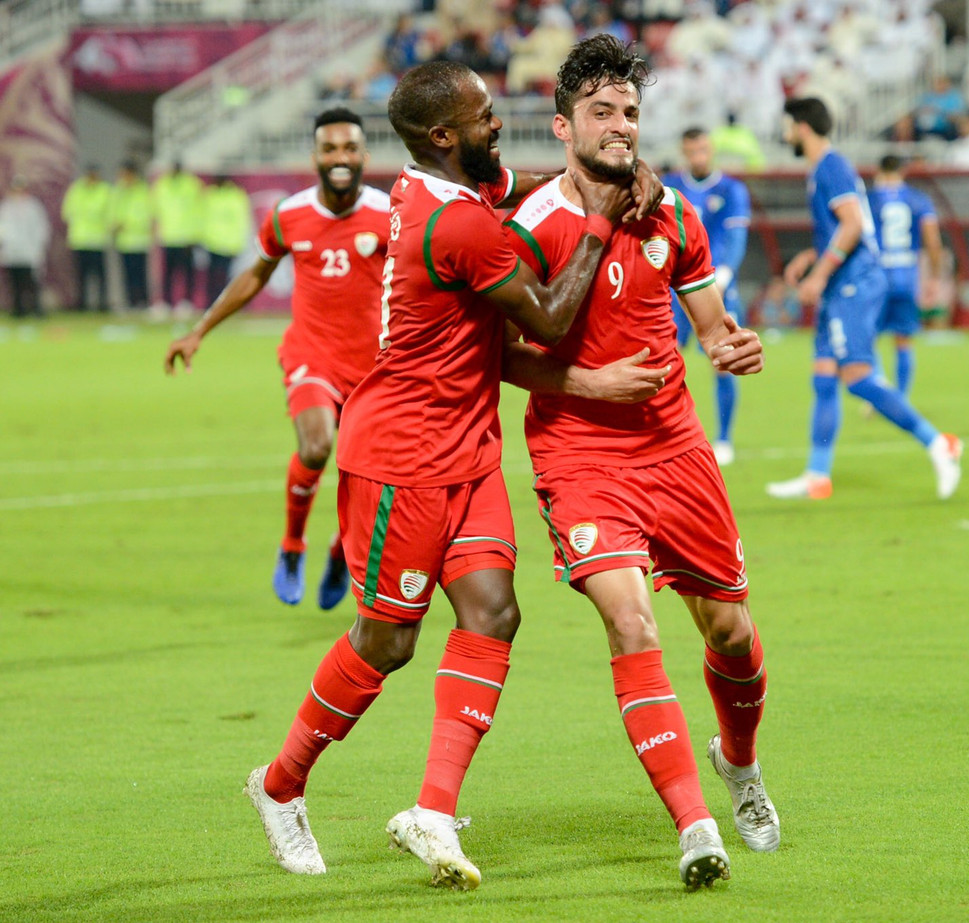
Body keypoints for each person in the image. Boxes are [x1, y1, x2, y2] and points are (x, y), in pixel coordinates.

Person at [238, 61, 663, 888]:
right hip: (400, 459)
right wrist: (602, 218)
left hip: (468, 450)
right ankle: (280, 783)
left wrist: (605, 173)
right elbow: (549, 315)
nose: (497, 123)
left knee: (494, 612)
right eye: (484, 115)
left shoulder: (446, 184)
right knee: (388, 641)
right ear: (442, 135)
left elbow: (524, 185)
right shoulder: (454, 223)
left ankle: (432, 811)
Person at [501, 35, 774, 891]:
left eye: (629, 112)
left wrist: (731, 346)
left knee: (731, 633)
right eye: (601, 112)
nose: (620, 125)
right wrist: (590, 381)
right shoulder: (532, 227)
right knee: (632, 623)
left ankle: (739, 763)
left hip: (676, 448)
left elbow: (713, 325)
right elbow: (500, 353)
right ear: (563, 126)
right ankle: (696, 824)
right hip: (580, 455)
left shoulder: (673, 212)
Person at [165, 109, 390, 610]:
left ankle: (340, 551)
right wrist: (200, 330)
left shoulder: (390, 213)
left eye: (349, 148)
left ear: (364, 155)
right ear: (315, 157)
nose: (340, 158)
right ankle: (292, 545)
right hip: (313, 354)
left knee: (369, 477)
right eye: (329, 149)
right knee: (317, 446)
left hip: (375, 367)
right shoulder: (289, 215)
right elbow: (255, 275)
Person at [767, 97, 962, 501]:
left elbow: (853, 224)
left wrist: (819, 274)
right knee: (824, 378)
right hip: (842, 281)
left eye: (787, 126)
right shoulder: (824, 167)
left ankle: (938, 443)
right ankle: (817, 476)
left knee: (856, 377)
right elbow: (845, 227)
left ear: (802, 127)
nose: (784, 134)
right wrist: (813, 256)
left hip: (854, 284)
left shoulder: (831, 166)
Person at [663, 126, 751, 465]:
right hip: (674, 291)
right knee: (663, 362)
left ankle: (724, 438)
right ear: (684, 152)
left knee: (725, 362)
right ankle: (666, 435)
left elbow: (736, 238)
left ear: (711, 149)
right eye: (692, 150)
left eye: (702, 149)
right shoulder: (670, 186)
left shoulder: (731, 189)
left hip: (716, 289)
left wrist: (724, 275)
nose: (698, 156)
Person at [866, 154, 945, 398]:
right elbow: (933, 241)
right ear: (902, 171)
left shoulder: (868, 199)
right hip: (906, 277)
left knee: (868, 338)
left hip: (875, 277)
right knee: (903, 340)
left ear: (879, 170)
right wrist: (934, 277)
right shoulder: (918, 199)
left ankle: (878, 394)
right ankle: (901, 397)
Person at [152, 161, 204, 318]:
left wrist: (196, 234)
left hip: (186, 237)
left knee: (187, 273)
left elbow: (199, 210)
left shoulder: (192, 184)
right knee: (167, 273)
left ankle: (186, 302)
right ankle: (165, 303)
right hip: (168, 236)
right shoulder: (162, 184)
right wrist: (157, 230)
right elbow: (156, 210)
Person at [61, 165, 110, 312]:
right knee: (80, 275)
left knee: (99, 275)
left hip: (97, 240)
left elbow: (110, 213)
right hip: (80, 239)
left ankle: (102, 303)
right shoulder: (76, 190)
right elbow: (66, 212)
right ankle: (81, 303)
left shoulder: (104, 190)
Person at [0, 175, 50, 318]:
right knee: (15, 281)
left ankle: (36, 308)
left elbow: (41, 227)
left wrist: (39, 245)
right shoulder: (6, 207)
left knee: (32, 281)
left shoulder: (34, 207)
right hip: (12, 250)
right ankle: (18, 309)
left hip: (30, 250)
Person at [200, 175, 252, 310]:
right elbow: (203, 218)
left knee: (224, 277)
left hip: (227, 244)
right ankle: (214, 305)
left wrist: (239, 244)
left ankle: (225, 304)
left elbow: (241, 222)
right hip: (213, 243)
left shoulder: (235, 196)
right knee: (214, 277)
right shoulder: (211, 195)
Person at [109, 162, 153, 314]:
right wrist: (113, 225)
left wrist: (127, 224)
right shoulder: (118, 191)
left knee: (140, 274)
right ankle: (130, 302)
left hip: (139, 240)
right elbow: (112, 212)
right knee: (127, 274)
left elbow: (147, 216)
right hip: (124, 241)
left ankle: (143, 302)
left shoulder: (143, 191)